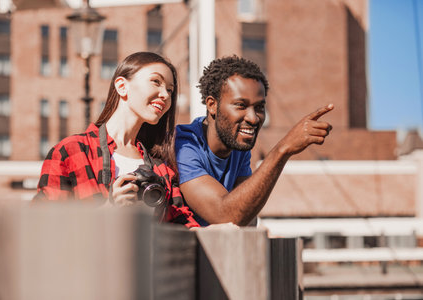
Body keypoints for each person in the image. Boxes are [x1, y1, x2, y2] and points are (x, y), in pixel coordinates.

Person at [34, 51, 199, 228]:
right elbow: (42, 227)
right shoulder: (71, 152)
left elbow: (183, 226)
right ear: (122, 86)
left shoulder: (162, 169)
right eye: (156, 82)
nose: (165, 95)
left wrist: (219, 228)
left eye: (170, 90)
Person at [175, 55, 333, 226]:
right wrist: (282, 150)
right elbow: (224, 217)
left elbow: (247, 218)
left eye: (259, 108)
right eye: (241, 106)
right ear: (212, 105)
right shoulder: (184, 144)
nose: (253, 118)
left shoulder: (237, 147)